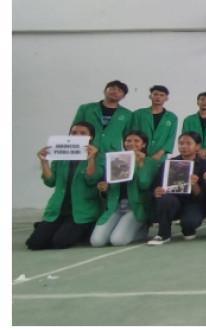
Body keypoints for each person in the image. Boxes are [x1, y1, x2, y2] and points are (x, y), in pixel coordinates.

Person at [26, 122, 103, 250]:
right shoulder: (61, 155)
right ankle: (50, 227)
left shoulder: (98, 156)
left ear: (91, 137)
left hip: (82, 212)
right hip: (58, 210)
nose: (77, 135)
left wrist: (91, 159)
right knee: (34, 244)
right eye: (74, 133)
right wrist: (44, 162)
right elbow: (50, 182)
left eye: (83, 133)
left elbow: (91, 180)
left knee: (59, 242)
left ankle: (87, 228)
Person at [90, 130, 160, 247]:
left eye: (136, 141)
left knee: (117, 241)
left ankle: (142, 230)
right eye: (128, 141)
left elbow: (144, 185)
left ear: (144, 144)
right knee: (97, 242)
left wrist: (140, 164)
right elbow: (108, 189)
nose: (132, 143)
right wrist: (104, 188)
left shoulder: (150, 162)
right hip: (115, 207)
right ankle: (125, 230)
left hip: (135, 207)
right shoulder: (116, 159)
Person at [147, 132, 206, 245]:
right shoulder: (169, 163)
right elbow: (155, 186)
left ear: (197, 146)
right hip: (173, 201)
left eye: (188, 143)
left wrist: (194, 185)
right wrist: (156, 191)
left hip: (193, 203)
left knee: (190, 223)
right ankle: (163, 234)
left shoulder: (205, 165)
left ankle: (188, 228)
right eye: (181, 143)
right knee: (165, 200)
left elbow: (203, 196)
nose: (183, 146)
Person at [72, 80, 132, 153]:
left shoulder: (127, 114)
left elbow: (128, 137)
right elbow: (74, 130)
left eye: (119, 90)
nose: (115, 92)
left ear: (123, 96)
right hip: (87, 149)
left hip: (112, 152)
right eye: (112, 88)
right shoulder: (86, 108)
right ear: (104, 91)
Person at [129, 85, 178, 162]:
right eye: (155, 94)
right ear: (150, 96)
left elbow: (171, 137)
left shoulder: (172, 117)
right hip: (139, 154)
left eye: (162, 95)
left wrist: (161, 152)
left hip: (160, 156)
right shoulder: (138, 114)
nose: (158, 97)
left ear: (166, 98)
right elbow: (132, 133)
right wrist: (137, 151)